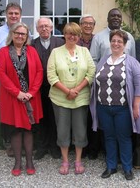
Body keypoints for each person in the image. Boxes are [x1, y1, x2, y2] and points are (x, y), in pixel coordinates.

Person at [90, 30, 140, 180]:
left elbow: (139, 83)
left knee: (124, 137)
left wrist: (136, 105)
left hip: (122, 108)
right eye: (113, 41)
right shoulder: (104, 59)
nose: (116, 44)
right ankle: (111, 166)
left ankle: (127, 168)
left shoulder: (131, 62)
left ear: (125, 45)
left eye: (119, 42)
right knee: (109, 137)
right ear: (110, 43)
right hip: (103, 107)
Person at [47, 22, 95, 175]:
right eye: (69, 33)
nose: (72, 36)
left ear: (79, 36)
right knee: (62, 130)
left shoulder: (84, 52)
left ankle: (78, 160)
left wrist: (76, 90)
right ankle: (65, 160)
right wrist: (67, 91)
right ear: (64, 35)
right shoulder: (55, 52)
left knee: (80, 130)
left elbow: (91, 72)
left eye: (75, 33)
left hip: (80, 98)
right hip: (60, 99)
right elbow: (51, 76)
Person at [0, 22, 43, 176]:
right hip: (13, 98)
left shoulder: (32, 51)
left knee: (28, 129)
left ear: (27, 36)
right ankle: (17, 162)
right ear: (12, 34)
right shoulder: (3, 52)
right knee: (16, 130)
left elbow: (39, 71)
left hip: (30, 97)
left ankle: (29, 161)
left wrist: (32, 92)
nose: (20, 36)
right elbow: (1, 74)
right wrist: (17, 93)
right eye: (17, 33)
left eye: (23, 34)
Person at [0, 2, 23, 157]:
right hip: (4, 78)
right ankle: (8, 143)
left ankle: (23, 142)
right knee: (5, 110)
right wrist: (2, 70)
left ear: (20, 15)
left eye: (16, 13)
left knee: (21, 109)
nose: (13, 16)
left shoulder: (24, 31)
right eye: (11, 13)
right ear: (6, 15)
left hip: (22, 78)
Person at [31, 18, 64, 160]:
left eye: (47, 26)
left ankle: (54, 147)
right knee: (41, 119)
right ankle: (42, 147)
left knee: (55, 118)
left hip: (56, 87)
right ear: (37, 29)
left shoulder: (60, 43)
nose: (44, 29)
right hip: (38, 89)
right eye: (41, 26)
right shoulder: (32, 45)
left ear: (51, 28)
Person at [77, 14, 99, 160]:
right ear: (80, 25)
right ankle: (81, 147)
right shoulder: (74, 40)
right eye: (85, 23)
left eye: (91, 23)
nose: (88, 26)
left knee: (93, 116)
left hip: (96, 84)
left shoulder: (97, 40)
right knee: (80, 117)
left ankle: (94, 148)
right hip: (78, 84)